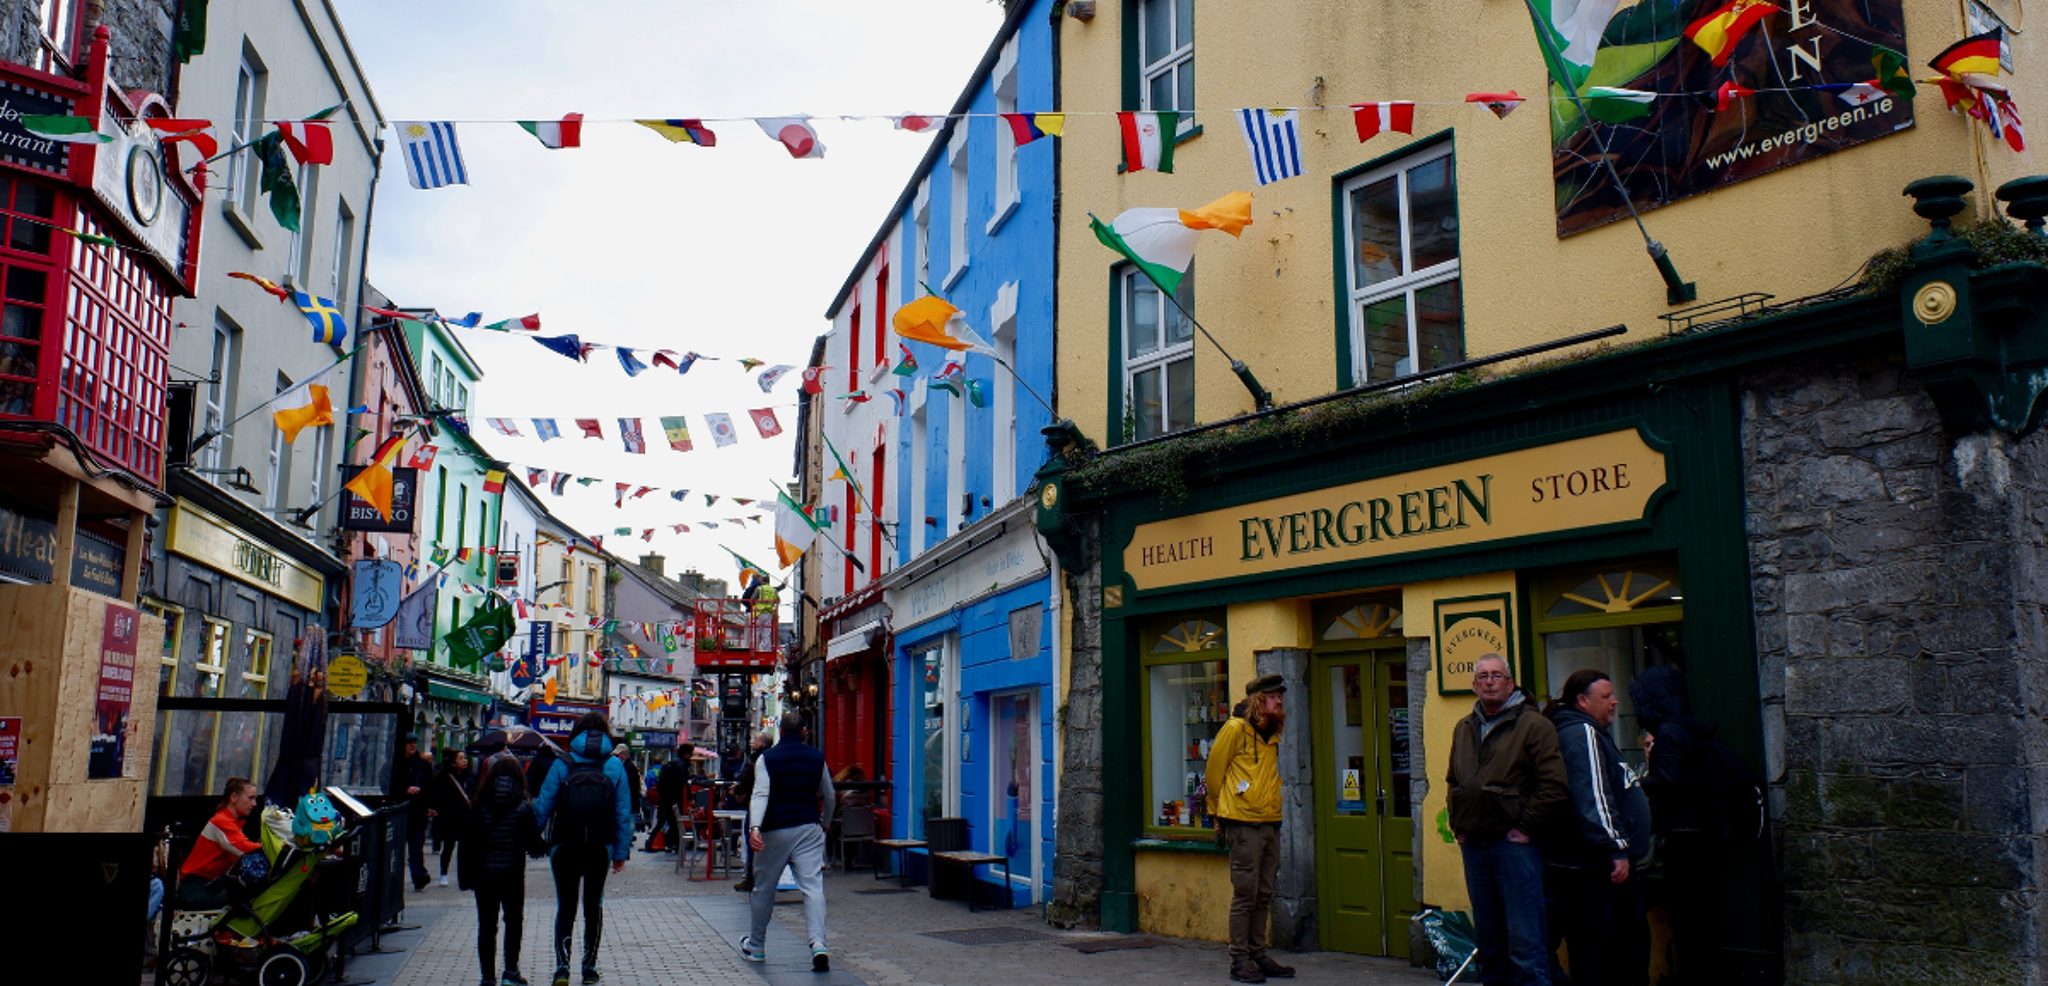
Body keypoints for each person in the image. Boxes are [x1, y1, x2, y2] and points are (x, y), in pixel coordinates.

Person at [1447, 655, 1569, 986]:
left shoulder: (1533, 725)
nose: (1489, 682)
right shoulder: (1464, 727)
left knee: (1526, 944)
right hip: (1475, 846)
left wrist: (1525, 827)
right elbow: (1454, 781)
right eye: (1482, 676)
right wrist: (1458, 826)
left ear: (1510, 683)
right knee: (1489, 943)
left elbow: (1553, 785)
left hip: (1514, 848)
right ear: (1474, 685)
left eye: (1496, 676)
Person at [1542, 669, 1652, 986]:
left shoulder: (1588, 731)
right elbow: (1592, 795)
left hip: (1593, 862)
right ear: (1582, 701)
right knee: (1609, 949)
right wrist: (1615, 847)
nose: (1615, 702)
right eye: (1605, 697)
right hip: (1596, 866)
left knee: (1610, 947)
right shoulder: (1581, 733)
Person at [1629, 664, 1727, 986]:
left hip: (1683, 836)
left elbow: (1669, 782)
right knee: (1699, 913)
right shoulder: (1687, 727)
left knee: (1686, 915)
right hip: (1701, 832)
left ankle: (1693, 975)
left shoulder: (1669, 731)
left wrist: (1638, 782)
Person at [533, 712, 634, 986]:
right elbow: (622, 812)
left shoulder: (562, 763)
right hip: (599, 847)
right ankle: (589, 968)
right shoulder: (614, 765)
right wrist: (620, 854)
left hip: (564, 845)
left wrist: (532, 839)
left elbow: (544, 805)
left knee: (565, 907)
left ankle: (562, 968)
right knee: (594, 906)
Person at [1204, 674, 1293, 984]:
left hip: (1269, 820)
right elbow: (1214, 772)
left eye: (1280, 696)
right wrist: (1215, 812)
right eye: (1273, 696)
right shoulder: (1235, 729)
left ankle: (1258, 954)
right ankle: (1239, 958)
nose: (1279, 700)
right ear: (1259, 700)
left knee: (1264, 892)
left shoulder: (1271, 733)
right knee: (1245, 893)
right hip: (1242, 822)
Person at [741, 713, 835, 971]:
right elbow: (829, 794)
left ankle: (757, 945)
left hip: (774, 829)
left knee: (763, 888)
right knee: (813, 887)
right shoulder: (817, 758)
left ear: (780, 732)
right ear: (804, 732)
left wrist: (755, 828)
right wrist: (824, 822)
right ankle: (818, 944)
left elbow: (760, 794)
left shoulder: (766, 759)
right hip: (808, 826)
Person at [461, 754, 547, 986]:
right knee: (514, 922)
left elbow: (466, 843)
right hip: (512, 875)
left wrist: (465, 877)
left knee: (487, 925)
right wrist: (545, 843)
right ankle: (510, 972)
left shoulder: (477, 806)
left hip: (483, 875)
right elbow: (534, 846)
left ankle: (487, 977)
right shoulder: (522, 806)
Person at [176, 777, 261, 909]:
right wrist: (272, 847)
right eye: (250, 798)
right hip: (195, 890)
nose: (254, 804)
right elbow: (244, 848)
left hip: (206, 886)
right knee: (248, 898)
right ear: (233, 797)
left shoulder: (230, 822)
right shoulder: (223, 822)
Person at [730, 730, 771, 893]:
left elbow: (748, 781)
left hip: (755, 807)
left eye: (755, 739)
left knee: (752, 843)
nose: (752, 741)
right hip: (768, 806)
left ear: (762, 743)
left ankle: (751, 878)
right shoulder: (769, 758)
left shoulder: (756, 760)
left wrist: (739, 790)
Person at [394, 735, 436, 890]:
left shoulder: (423, 764)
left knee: (416, 845)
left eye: (414, 743)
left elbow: (431, 786)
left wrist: (431, 806)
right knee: (396, 847)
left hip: (418, 811)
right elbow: (387, 784)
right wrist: (404, 790)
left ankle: (418, 875)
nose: (413, 746)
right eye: (409, 743)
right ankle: (394, 875)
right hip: (399, 812)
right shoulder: (395, 763)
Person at [433, 749, 474, 887]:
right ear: (452, 762)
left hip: (467, 816)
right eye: (460, 758)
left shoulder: (471, 777)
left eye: (465, 758)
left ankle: (465, 875)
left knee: (466, 848)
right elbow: (438, 797)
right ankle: (444, 873)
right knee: (448, 846)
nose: (464, 761)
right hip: (450, 816)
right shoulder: (444, 778)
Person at [657, 742, 695, 853]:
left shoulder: (671, 764)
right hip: (677, 797)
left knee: (671, 821)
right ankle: (675, 844)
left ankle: (669, 843)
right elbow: (684, 783)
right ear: (687, 754)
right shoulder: (682, 766)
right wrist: (690, 797)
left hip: (667, 798)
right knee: (676, 822)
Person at [613, 745, 643, 831]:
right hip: (632, 800)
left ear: (624, 754)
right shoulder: (630, 766)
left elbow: (629, 786)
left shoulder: (627, 767)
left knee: (629, 823)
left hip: (629, 801)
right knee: (630, 822)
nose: (616, 757)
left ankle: (627, 841)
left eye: (618, 755)